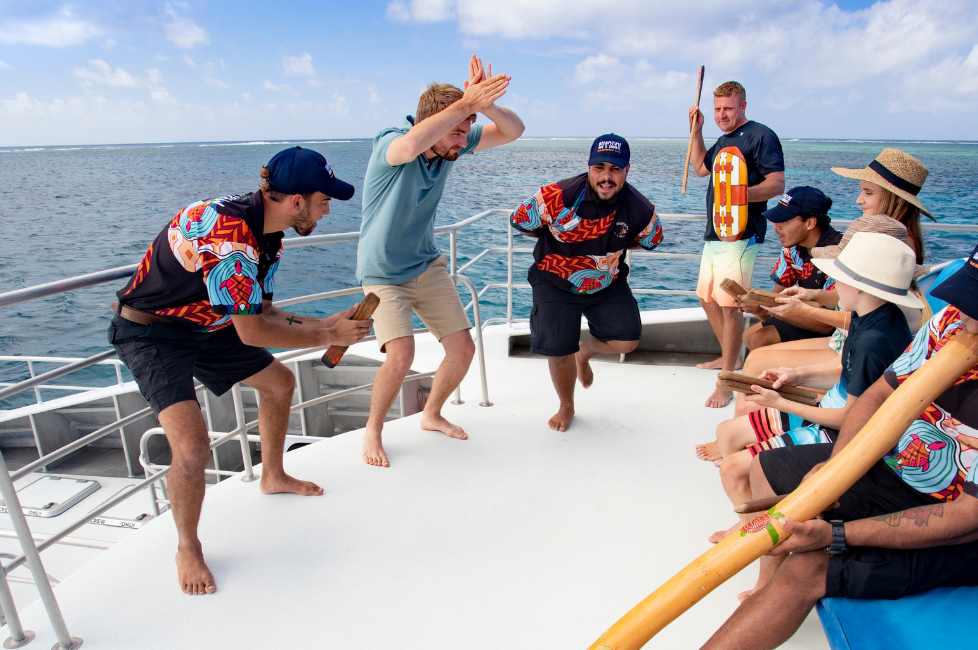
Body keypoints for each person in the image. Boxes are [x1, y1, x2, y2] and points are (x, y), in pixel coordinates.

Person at [599, 218, 978, 650]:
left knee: (809, 564)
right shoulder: (961, 318)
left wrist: (833, 531)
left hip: (977, 528)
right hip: (897, 468)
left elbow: (973, 518)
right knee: (761, 474)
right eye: (971, 303)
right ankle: (765, 592)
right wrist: (833, 472)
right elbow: (877, 396)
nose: (970, 323)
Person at [109, 147, 373, 595]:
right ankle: (187, 547)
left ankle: (273, 475)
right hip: (153, 334)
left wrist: (329, 324)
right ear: (296, 202)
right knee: (192, 449)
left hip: (210, 325)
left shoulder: (268, 235)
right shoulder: (232, 237)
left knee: (279, 382)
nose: (328, 209)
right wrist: (327, 337)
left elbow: (263, 312)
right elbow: (252, 332)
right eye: (324, 200)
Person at [357, 55, 524, 467]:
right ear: (435, 121)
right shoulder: (391, 142)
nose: (461, 141)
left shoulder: (454, 137)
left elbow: (513, 131)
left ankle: (431, 414)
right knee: (401, 356)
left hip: (425, 264)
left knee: (463, 349)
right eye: (456, 131)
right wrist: (466, 104)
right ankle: (373, 432)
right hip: (383, 273)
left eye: (465, 132)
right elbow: (410, 145)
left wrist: (481, 105)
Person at [694, 216, 913, 463]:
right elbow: (847, 375)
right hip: (835, 394)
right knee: (751, 353)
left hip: (837, 424)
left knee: (735, 463)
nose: (834, 284)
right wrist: (797, 374)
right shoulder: (873, 315)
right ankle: (747, 445)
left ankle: (751, 455)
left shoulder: (873, 338)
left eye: (838, 277)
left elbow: (851, 415)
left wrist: (784, 401)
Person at [510, 135, 663, 431]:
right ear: (589, 167)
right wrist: (556, 239)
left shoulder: (639, 207)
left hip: (606, 281)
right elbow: (520, 222)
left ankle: (586, 350)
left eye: (615, 169)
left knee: (628, 340)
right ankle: (566, 405)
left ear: (627, 169)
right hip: (553, 279)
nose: (607, 176)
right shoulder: (557, 195)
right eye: (600, 167)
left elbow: (651, 240)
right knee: (557, 350)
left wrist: (606, 245)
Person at [687, 81, 785, 408]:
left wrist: (740, 196)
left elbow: (776, 183)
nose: (722, 115)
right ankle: (729, 358)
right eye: (717, 109)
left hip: (743, 231)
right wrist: (697, 130)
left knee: (730, 306)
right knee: (707, 297)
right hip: (716, 230)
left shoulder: (761, 136)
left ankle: (728, 380)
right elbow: (701, 169)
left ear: (743, 105)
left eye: (728, 108)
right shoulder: (723, 140)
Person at [740, 186, 843, 351]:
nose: (775, 226)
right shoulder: (792, 247)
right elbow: (775, 297)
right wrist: (757, 305)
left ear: (810, 223)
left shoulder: (838, 252)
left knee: (761, 339)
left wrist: (768, 309)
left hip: (835, 326)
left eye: (784, 221)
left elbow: (828, 325)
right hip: (806, 313)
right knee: (748, 335)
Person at [831, 147, 933, 263]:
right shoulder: (901, 238)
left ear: (897, 199)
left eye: (869, 193)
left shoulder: (893, 243)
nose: (859, 200)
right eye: (861, 191)